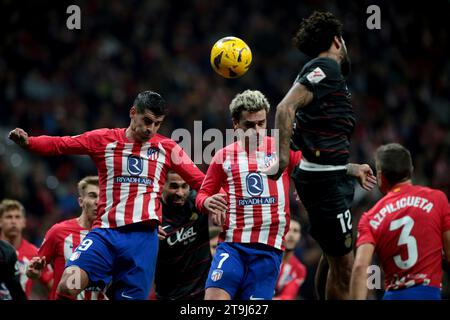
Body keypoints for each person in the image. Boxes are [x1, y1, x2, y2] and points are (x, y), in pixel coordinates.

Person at [8, 90, 207, 300]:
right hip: (105, 234)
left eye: (157, 123)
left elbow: (201, 181)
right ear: (133, 112)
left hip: (142, 242)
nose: (151, 129)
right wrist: (29, 142)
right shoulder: (104, 140)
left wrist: (224, 198)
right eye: (147, 121)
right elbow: (61, 144)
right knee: (68, 283)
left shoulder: (167, 148)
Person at [196, 89, 372, 300]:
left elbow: (318, 165)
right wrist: (206, 201)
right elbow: (202, 194)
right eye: (249, 126)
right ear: (235, 123)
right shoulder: (222, 157)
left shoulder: (281, 150)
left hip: (268, 252)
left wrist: (353, 169)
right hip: (232, 247)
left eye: (261, 123)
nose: (257, 130)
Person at [270, 11, 376, 299]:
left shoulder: (321, 74)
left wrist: (350, 167)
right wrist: (281, 160)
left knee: (333, 256)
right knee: (345, 266)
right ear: (337, 41)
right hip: (325, 184)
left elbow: (309, 132)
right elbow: (284, 109)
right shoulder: (326, 68)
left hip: (326, 176)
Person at [350, 143, 450, 300]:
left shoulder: (371, 217)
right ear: (411, 171)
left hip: (392, 292)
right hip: (429, 293)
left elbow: (361, 267)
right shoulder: (438, 199)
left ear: (381, 176)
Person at [26, 176, 108, 300]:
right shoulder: (58, 231)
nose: (98, 201)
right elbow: (36, 267)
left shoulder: (112, 236)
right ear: (80, 201)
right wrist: (32, 272)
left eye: (102, 197)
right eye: (92, 195)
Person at [153, 171, 212, 300]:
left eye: (184, 186)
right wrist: (147, 237)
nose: (180, 193)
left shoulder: (198, 203)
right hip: (169, 295)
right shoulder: (151, 215)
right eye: (174, 186)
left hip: (204, 290)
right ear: (162, 185)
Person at [0, 199, 53, 300]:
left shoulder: (35, 253)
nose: (13, 221)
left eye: (17, 217)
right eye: (8, 217)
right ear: (0, 222)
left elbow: (53, 287)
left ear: (24, 222)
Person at [273, 217, 307, 300]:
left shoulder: (299, 269)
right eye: (287, 230)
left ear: (299, 237)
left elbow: (287, 296)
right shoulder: (266, 259)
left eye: (295, 231)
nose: (291, 235)